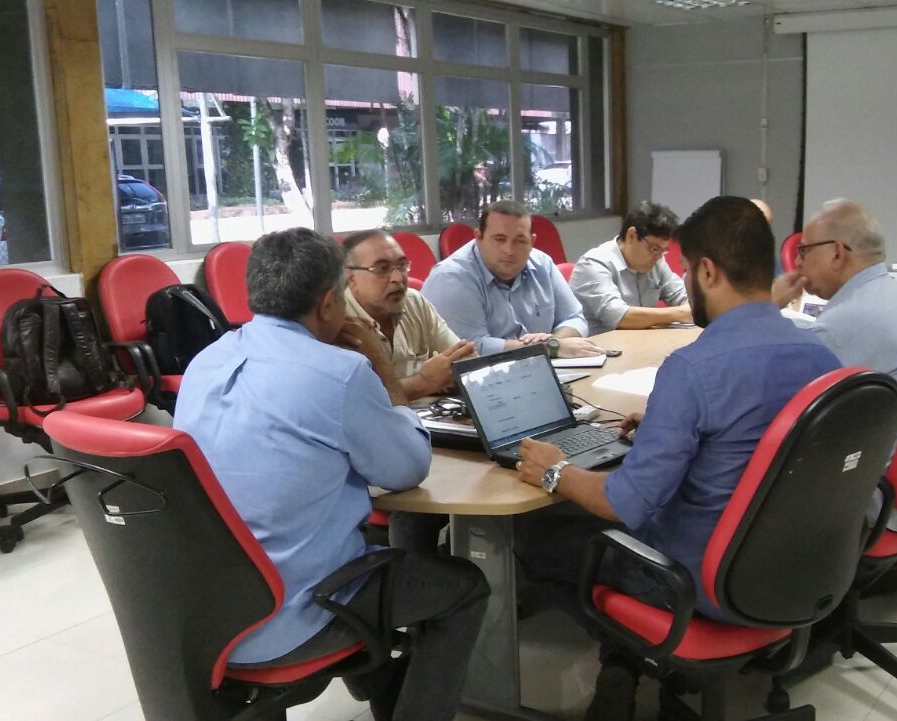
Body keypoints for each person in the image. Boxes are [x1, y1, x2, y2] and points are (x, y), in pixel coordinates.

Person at [513, 196, 841, 721]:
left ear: (707, 271)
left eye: (686, 270)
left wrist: (554, 469)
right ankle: (625, 663)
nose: (684, 281)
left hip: (703, 581)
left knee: (537, 538)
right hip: (799, 569)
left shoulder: (693, 369)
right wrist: (668, 423)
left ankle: (636, 656)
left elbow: (624, 503)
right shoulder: (822, 356)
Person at [174, 228, 489, 721]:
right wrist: (382, 369)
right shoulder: (340, 373)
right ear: (328, 304)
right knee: (465, 587)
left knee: (363, 549)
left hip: (212, 610)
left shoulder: (205, 362)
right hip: (296, 609)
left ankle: (380, 680)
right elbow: (407, 468)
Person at [775, 199, 897, 531]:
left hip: (863, 496)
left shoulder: (841, 328)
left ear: (837, 253)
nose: (798, 262)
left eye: (804, 251)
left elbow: (771, 403)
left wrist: (764, 309)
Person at [422, 199, 604, 357]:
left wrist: (555, 341)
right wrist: (546, 348)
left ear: (532, 242)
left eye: (520, 241)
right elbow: (469, 349)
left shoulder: (542, 264)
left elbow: (575, 317)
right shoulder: (451, 278)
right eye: (499, 239)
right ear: (479, 237)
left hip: (540, 369)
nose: (509, 250)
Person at [342, 229, 476, 401]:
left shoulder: (414, 302)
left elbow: (465, 364)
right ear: (351, 278)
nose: (398, 278)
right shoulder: (338, 320)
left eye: (402, 265)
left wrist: (443, 376)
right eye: (382, 268)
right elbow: (358, 401)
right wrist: (424, 382)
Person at [568, 201, 691, 333]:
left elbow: (682, 296)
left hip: (640, 340)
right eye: (654, 249)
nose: (658, 257)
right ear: (631, 235)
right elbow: (619, 317)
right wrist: (680, 313)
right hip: (599, 343)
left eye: (664, 250)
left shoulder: (657, 262)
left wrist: (690, 307)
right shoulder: (593, 264)